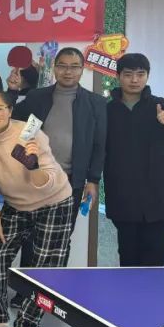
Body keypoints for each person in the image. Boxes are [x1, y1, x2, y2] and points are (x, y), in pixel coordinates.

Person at [0, 91, 76, 327]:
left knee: (44, 267)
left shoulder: (30, 133)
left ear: (10, 110)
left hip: (54, 202)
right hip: (16, 205)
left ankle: (27, 326)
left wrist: (33, 166)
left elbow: (47, 181)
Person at [104, 53, 164, 267]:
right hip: (124, 193)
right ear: (118, 76)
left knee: (155, 254)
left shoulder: (160, 104)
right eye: (128, 74)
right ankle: (129, 290)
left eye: (140, 74)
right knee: (128, 255)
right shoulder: (107, 110)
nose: (135, 80)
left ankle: (152, 290)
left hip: (161, 193)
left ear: (147, 76)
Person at [12, 47, 106, 223]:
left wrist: (93, 180)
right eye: (62, 66)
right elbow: (13, 123)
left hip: (70, 181)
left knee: (62, 233)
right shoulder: (36, 97)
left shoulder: (96, 103)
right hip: (34, 175)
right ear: (54, 68)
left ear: (82, 69)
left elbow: (99, 145)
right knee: (28, 231)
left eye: (74, 66)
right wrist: (12, 91)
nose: (68, 72)